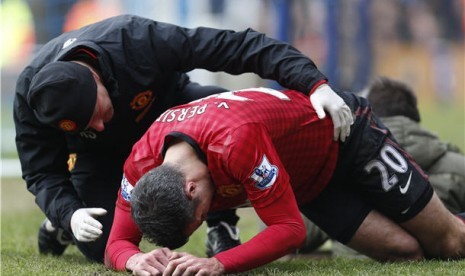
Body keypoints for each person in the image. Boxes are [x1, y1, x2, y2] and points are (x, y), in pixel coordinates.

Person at [13, 14, 353, 262]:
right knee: (101, 245)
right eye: (88, 125)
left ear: (96, 78)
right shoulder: (32, 101)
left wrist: (313, 83)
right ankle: (58, 225)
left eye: (99, 113)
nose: (99, 125)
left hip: (178, 120)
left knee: (225, 114)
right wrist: (68, 212)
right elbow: (42, 172)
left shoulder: (135, 41)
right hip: (100, 158)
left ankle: (222, 224)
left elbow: (235, 47)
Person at [105, 87, 465, 275]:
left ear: (191, 188)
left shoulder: (235, 142)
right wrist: (134, 260)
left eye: (199, 217)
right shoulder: (140, 163)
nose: (208, 218)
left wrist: (220, 263)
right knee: (406, 252)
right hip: (310, 183)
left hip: (349, 139)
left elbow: (290, 229)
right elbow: (117, 242)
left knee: (449, 243)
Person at [296, 77, 465, 256]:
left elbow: (296, 232)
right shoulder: (457, 165)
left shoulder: (338, 170)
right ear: (414, 117)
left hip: (358, 258)